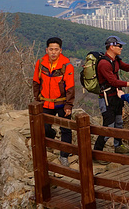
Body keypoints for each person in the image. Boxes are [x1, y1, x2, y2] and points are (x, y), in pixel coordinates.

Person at [32, 37, 75, 167]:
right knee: (44, 127)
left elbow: (70, 87)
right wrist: (37, 100)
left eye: (56, 49)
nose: (53, 52)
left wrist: (69, 105)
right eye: (51, 49)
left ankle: (64, 155)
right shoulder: (41, 63)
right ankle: (51, 139)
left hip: (61, 103)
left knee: (66, 129)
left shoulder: (67, 65)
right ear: (47, 50)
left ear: (60, 50)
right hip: (45, 102)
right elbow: (36, 82)